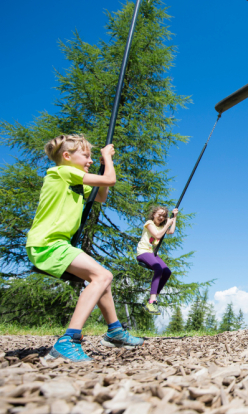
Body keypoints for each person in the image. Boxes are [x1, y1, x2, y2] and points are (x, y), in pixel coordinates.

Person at [26, 134, 144, 362]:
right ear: (67, 156)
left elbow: (101, 195)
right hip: (48, 243)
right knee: (102, 276)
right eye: (86, 155)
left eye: (91, 156)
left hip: (54, 244)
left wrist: (101, 167)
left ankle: (115, 331)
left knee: (101, 281)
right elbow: (109, 180)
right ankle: (68, 341)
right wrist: (107, 158)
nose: (89, 160)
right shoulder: (62, 172)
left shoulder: (75, 179)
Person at [136, 206, 178, 315]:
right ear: (154, 214)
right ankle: (152, 300)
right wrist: (167, 224)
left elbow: (171, 231)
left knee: (167, 272)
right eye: (159, 215)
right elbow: (157, 235)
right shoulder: (149, 223)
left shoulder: (162, 227)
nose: (161, 217)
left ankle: (152, 299)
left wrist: (175, 217)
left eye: (164, 216)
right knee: (158, 269)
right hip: (144, 252)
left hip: (153, 254)